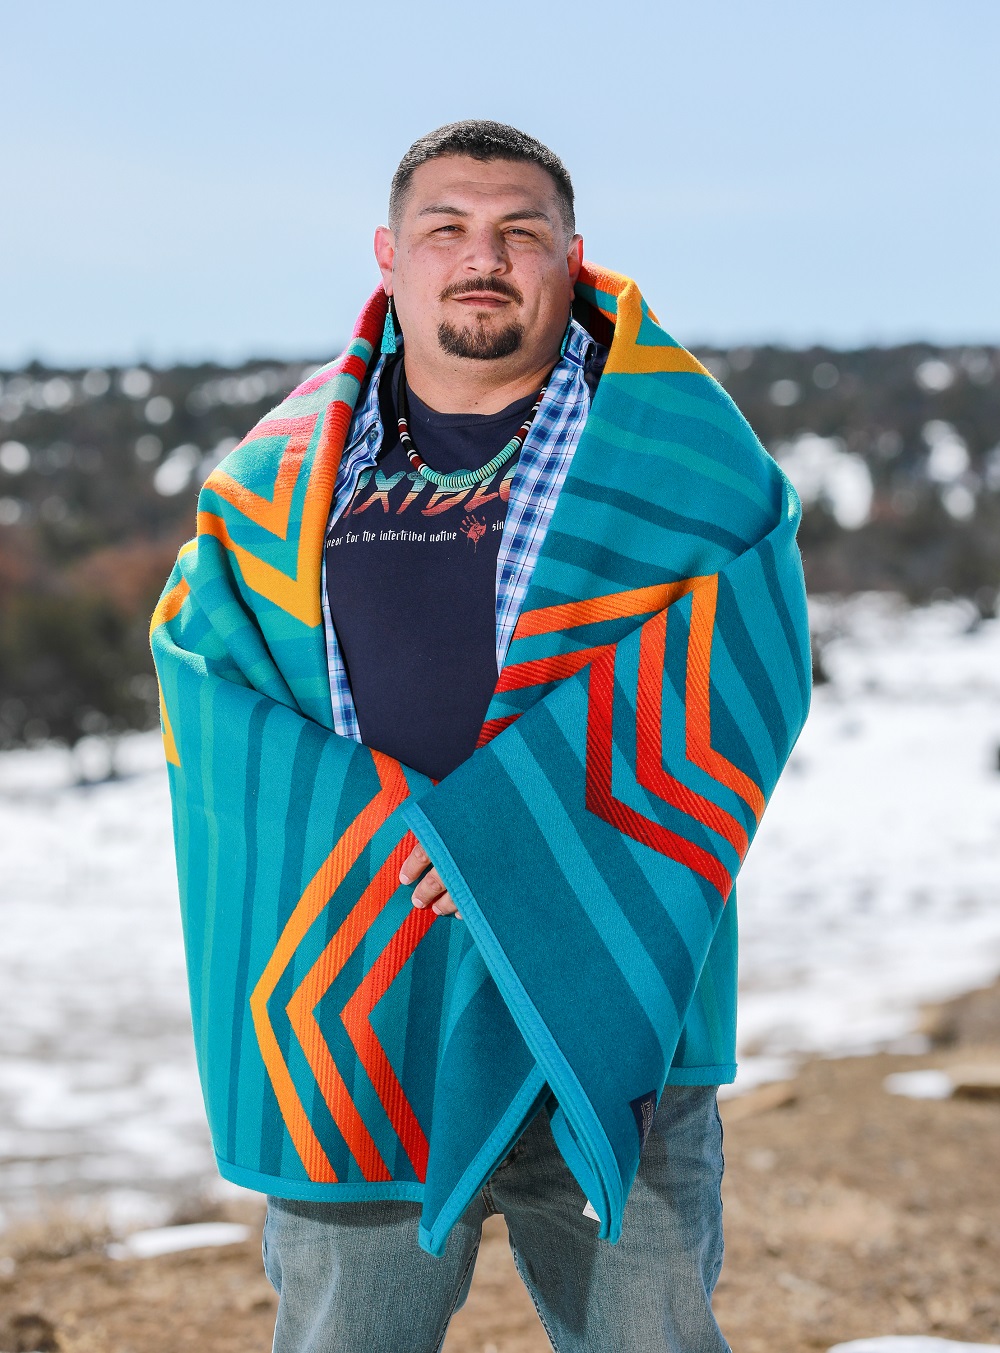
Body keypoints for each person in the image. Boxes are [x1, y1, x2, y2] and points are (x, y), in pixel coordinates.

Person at [151, 121, 810, 1353]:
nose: (482, 257)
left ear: (572, 257)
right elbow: (209, 685)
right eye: (446, 229)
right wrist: (376, 830)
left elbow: (741, 671)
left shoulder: (688, 460)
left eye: (518, 232)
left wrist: (494, 842)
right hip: (358, 992)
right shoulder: (270, 475)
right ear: (389, 258)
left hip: (615, 997)